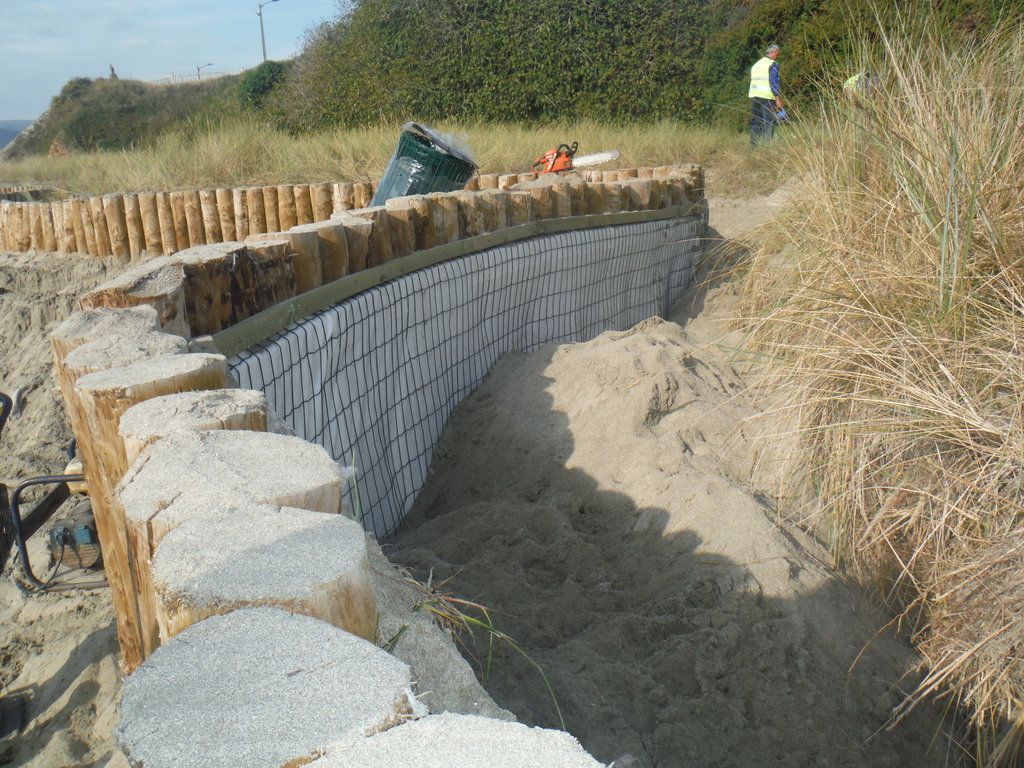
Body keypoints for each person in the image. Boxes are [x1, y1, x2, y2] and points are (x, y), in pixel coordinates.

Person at [749, 44, 785, 147]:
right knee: (768, 123)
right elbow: (773, 82)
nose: (777, 57)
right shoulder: (772, 64)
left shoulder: (756, 65)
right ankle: (768, 148)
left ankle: (753, 148)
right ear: (773, 52)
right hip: (767, 98)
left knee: (755, 123)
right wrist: (777, 98)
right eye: (777, 54)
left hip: (755, 97)